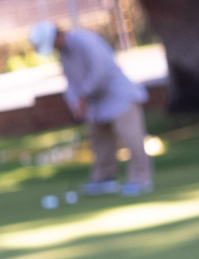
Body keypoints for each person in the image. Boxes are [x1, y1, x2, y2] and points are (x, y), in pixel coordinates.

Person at [31, 20, 152, 195]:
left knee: (131, 138)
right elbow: (71, 80)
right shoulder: (63, 53)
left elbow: (100, 70)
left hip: (118, 96)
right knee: (100, 140)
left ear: (57, 35)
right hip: (96, 102)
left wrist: (83, 95)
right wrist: (74, 102)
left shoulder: (85, 40)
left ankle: (141, 179)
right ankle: (104, 179)